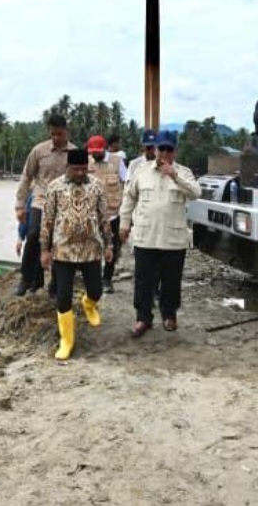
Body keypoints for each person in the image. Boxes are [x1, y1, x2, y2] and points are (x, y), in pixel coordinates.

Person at [118, 131, 201, 337]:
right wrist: (124, 224)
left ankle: (169, 315)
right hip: (146, 236)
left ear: (175, 151)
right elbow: (129, 198)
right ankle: (143, 318)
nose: (164, 153)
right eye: (160, 149)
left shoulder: (184, 172)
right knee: (143, 280)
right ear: (155, 150)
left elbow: (196, 193)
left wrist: (174, 175)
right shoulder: (141, 171)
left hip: (173, 239)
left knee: (171, 280)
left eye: (168, 149)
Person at [40, 148, 113, 362]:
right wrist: (44, 250)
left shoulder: (97, 186)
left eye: (84, 169)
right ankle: (67, 341)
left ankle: (88, 304)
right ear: (67, 167)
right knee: (63, 297)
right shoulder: (54, 187)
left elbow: (104, 218)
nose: (80, 173)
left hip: (91, 249)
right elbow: (48, 221)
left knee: (96, 290)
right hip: (63, 250)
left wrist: (109, 245)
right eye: (76, 169)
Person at [14, 114, 76, 296]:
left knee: (59, 244)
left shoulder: (75, 153)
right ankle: (27, 277)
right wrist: (19, 204)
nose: (56, 138)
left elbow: (83, 178)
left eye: (60, 134)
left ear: (67, 131)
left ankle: (55, 284)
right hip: (40, 200)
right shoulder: (39, 151)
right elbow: (26, 176)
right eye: (53, 134)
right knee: (34, 235)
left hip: (64, 204)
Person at [87, 135, 127, 293]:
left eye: (98, 152)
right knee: (93, 247)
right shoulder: (87, 162)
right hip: (92, 214)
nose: (95, 155)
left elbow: (128, 183)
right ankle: (94, 279)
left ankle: (107, 279)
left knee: (113, 247)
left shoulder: (117, 162)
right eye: (92, 153)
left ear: (104, 149)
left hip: (113, 214)